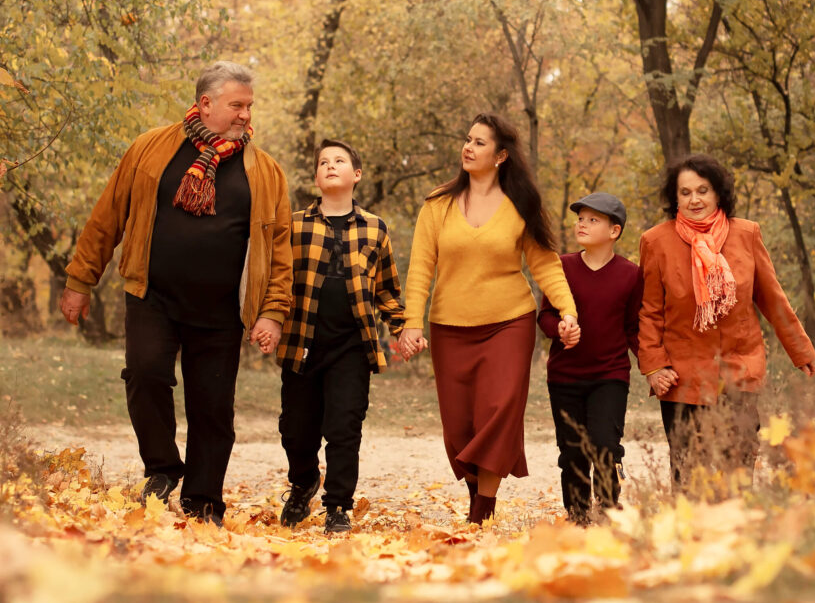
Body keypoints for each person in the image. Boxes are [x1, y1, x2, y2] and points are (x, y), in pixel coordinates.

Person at [60, 61, 292, 525]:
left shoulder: (265, 172)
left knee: (212, 409)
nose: (246, 115)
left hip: (223, 311)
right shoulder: (151, 149)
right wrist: (80, 280)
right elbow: (108, 216)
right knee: (145, 376)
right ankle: (163, 469)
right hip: (153, 297)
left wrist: (272, 312)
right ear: (205, 104)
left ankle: (204, 502)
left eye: (249, 106)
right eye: (236, 105)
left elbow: (280, 250)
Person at [398, 112, 578, 525]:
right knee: (460, 426)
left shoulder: (520, 205)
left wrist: (568, 309)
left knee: (498, 414)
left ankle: (483, 509)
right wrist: (412, 322)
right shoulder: (438, 204)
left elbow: (545, 264)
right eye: (467, 139)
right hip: (450, 326)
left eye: (479, 142)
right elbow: (422, 267)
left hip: (508, 323)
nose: (468, 147)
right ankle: (478, 494)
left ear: (500, 156)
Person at [638, 154, 815, 489]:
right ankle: (691, 537)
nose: (695, 199)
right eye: (685, 192)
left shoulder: (747, 234)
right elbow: (650, 311)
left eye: (702, 190)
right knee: (688, 472)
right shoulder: (655, 241)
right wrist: (654, 365)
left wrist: (800, 350)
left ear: (718, 193)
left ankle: (738, 534)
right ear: (674, 198)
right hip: (682, 375)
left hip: (739, 367)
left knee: (738, 463)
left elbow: (772, 298)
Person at [274, 139, 405, 534]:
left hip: (352, 345)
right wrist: (265, 320)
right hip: (302, 342)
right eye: (323, 162)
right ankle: (303, 483)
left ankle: (338, 507)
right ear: (316, 176)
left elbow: (386, 290)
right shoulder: (294, 224)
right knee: (296, 429)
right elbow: (277, 280)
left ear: (356, 175)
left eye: (340, 161)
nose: (330, 166)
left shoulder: (374, 228)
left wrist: (401, 329)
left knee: (344, 428)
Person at [537, 192, 642, 525]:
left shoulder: (630, 274)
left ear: (614, 231)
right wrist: (560, 330)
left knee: (605, 446)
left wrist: (654, 364)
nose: (582, 223)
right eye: (580, 218)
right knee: (572, 452)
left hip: (610, 376)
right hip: (565, 376)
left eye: (592, 219)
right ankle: (579, 516)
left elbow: (634, 328)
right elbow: (544, 316)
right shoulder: (561, 267)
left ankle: (609, 509)